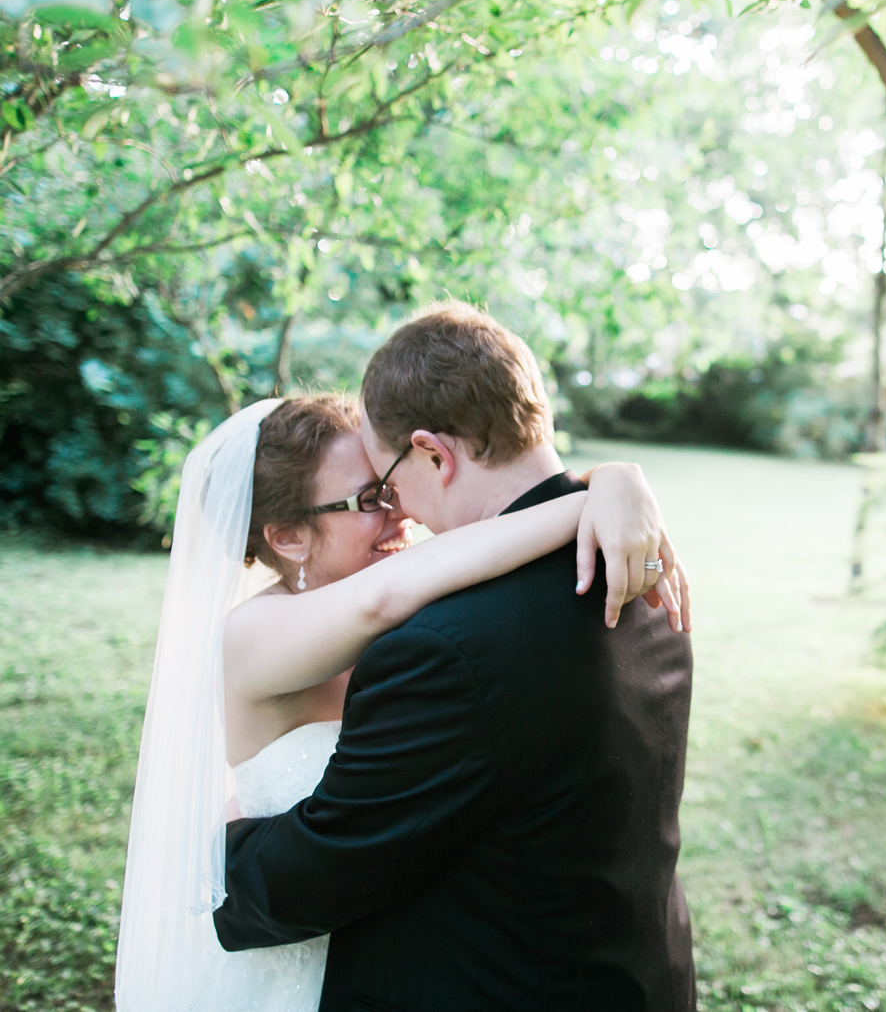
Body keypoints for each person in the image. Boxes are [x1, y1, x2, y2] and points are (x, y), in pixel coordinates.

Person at [115, 389, 686, 1012]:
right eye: (369, 500)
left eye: (389, 486)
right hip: (290, 944)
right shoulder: (255, 634)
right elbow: (386, 596)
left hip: (388, 939)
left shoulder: (406, 604)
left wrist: (612, 480)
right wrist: (594, 501)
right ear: (289, 537)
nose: (400, 513)